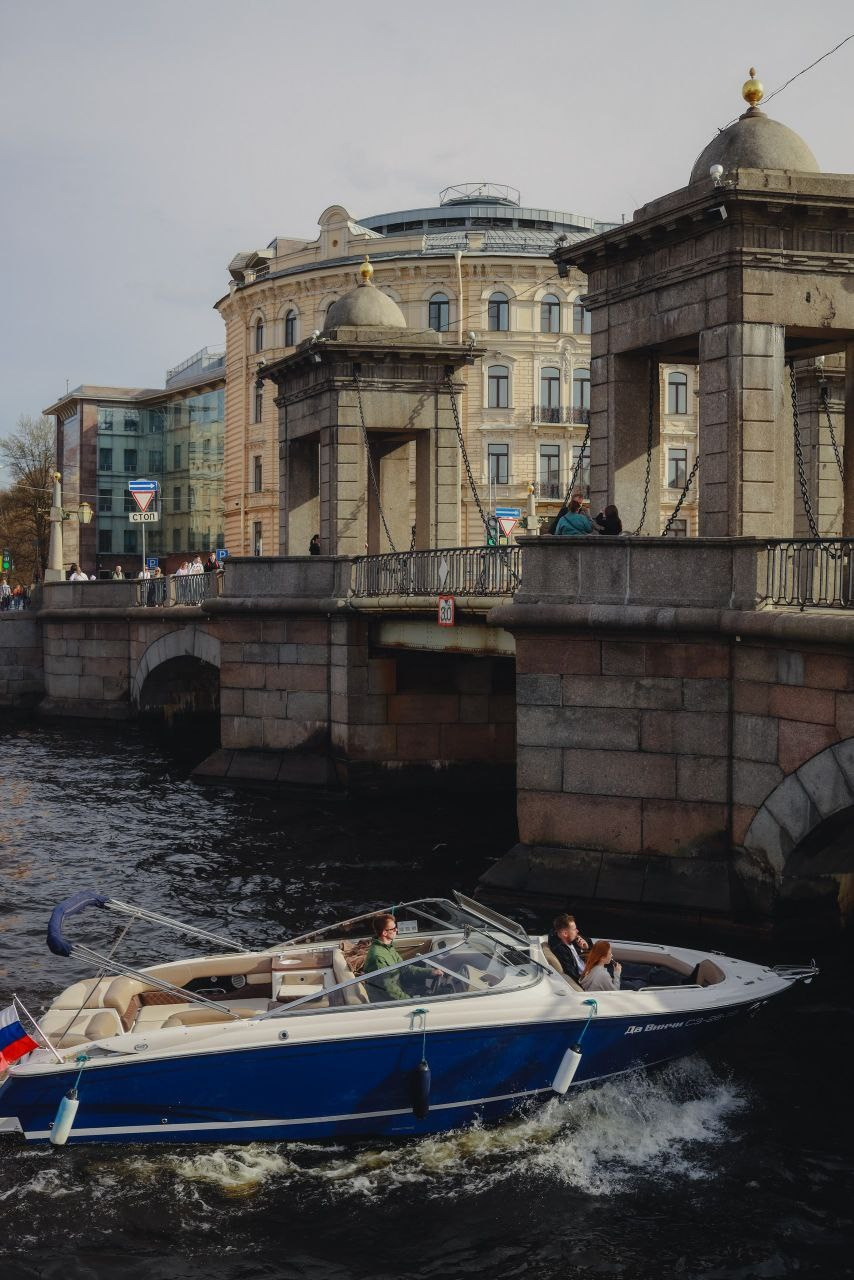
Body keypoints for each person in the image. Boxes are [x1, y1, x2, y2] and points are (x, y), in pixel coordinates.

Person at [362, 913, 437, 1003]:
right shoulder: (378, 957)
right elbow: (390, 990)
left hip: (398, 989)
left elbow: (404, 967)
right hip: (386, 1001)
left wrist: (431, 972)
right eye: (393, 929)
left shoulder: (388, 947)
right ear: (384, 932)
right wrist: (411, 1001)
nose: (396, 930)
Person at [547, 913, 591, 980]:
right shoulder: (560, 950)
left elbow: (589, 942)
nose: (577, 931)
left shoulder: (573, 939)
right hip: (586, 978)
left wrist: (586, 948)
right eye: (574, 929)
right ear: (565, 933)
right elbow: (572, 974)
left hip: (590, 970)